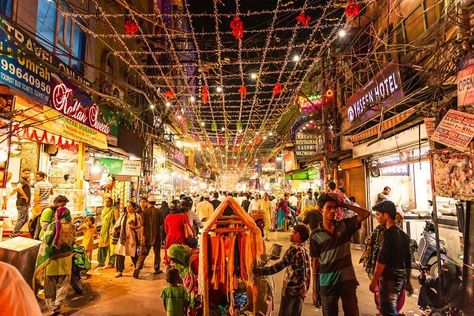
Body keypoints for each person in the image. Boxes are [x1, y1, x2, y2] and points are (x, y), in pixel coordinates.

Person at [310, 193, 370, 315]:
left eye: (335, 208)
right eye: (328, 207)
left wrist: (344, 204)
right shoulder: (315, 235)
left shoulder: (344, 226)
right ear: (321, 210)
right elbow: (315, 262)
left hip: (347, 280)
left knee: (352, 313)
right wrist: (315, 289)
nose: (333, 211)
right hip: (327, 282)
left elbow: (365, 214)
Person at [254, 224, 311, 316]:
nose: (291, 234)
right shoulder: (305, 251)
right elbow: (308, 272)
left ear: (298, 235)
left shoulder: (294, 249)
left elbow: (279, 266)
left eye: (293, 232)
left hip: (291, 290)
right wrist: (305, 288)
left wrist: (261, 271)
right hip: (301, 291)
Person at [369, 200, 412, 316]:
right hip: (400, 279)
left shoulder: (387, 234)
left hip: (389, 279)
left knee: (388, 309)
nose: (376, 218)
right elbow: (408, 261)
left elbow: (382, 260)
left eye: (378, 215)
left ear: (386, 216)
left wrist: (374, 280)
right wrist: (407, 280)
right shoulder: (404, 235)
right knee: (392, 307)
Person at [35, 203, 75, 315]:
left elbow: (46, 241)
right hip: (66, 261)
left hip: (52, 261)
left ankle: (51, 306)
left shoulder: (53, 225)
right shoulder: (72, 227)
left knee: (49, 285)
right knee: (63, 284)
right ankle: (58, 305)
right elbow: (73, 242)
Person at [134, 197, 163, 278]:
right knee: (157, 253)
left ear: (148, 202)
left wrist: (142, 236)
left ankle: (137, 268)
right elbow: (161, 223)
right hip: (157, 236)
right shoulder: (159, 211)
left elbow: (142, 225)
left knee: (143, 253)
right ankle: (157, 269)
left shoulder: (145, 212)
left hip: (147, 236)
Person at [114, 202, 142, 278]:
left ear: (134, 208)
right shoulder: (123, 215)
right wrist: (114, 230)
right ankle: (120, 271)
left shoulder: (137, 216)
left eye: (130, 206)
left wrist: (134, 227)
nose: (128, 208)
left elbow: (140, 227)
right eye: (127, 206)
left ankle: (137, 270)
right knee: (120, 253)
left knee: (134, 254)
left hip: (132, 238)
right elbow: (118, 224)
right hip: (123, 238)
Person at [164, 199, 192, 265]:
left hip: (169, 239)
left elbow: (166, 230)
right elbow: (189, 227)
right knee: (182, 257)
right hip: (181, 239)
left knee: (169, 257)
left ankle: (169, 271)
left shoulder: (167, 217)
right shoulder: (183, 215)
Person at [97, 197, 119, 269]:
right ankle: (101, 262)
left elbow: (117, 221)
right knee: (102, 246)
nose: (106, 203)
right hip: (104, 231)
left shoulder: (114, 209)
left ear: (111, 202)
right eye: (105, 201)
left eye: (108, 201)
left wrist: (115, 230)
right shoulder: (103, 210)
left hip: (111, 231)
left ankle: (111, 263)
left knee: (112, 248)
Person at [11, 168, 31, 237]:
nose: (27, 175)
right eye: (26, 173)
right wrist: (25, 196)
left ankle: (15, 232)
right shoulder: (22, 180)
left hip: (25, 203)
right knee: (21, 219)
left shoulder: (25, 181)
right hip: (22, 203)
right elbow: (19, 188)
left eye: (28, 173)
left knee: (25, 219)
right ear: (22, 173)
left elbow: (16, 188)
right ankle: (14, 233)